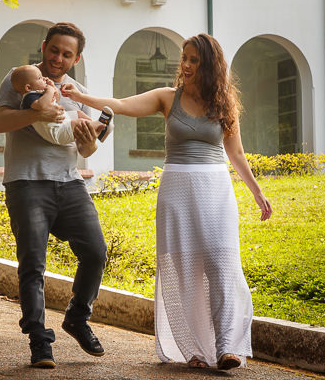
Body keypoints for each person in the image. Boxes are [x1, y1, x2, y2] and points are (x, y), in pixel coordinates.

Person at [65, 33, 272, 371]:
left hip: (216, 188)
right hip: (177, 188)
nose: (186, 66)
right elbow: (121, 104)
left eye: (194, 60)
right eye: (184, 59)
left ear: (209, 65)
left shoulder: (224, 104)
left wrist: (256, 190)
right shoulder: (167, 98)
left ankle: (226, 348)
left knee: (222, 264)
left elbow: (235, 152)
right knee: (185, 269)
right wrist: (80, 95)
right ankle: (191, 348)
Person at [0, 23, 108, 369]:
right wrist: (35, 112)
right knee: (33, 264)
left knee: (95, 251)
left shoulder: (78, 92)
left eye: (66, 54)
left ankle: (76, 317)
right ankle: (39, 341)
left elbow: (88, 148)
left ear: (76, 58)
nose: (58, 58)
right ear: (44, 46)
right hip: (27, 182)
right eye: (54, 50)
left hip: (69, 182)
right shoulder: (22, 79)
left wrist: (89, 141)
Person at [10, 64, 84, 148]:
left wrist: (52, 87)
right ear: (28, 88)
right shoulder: (29, 97)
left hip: (62, 122)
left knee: (79, 114)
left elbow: (57, 98)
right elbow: (42, 105)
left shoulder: (41, 93)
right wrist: (50, 90)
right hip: (57, 131)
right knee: (80, 123)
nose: (44, 79)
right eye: (39, 78)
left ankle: (97, 128)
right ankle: (98, 127)